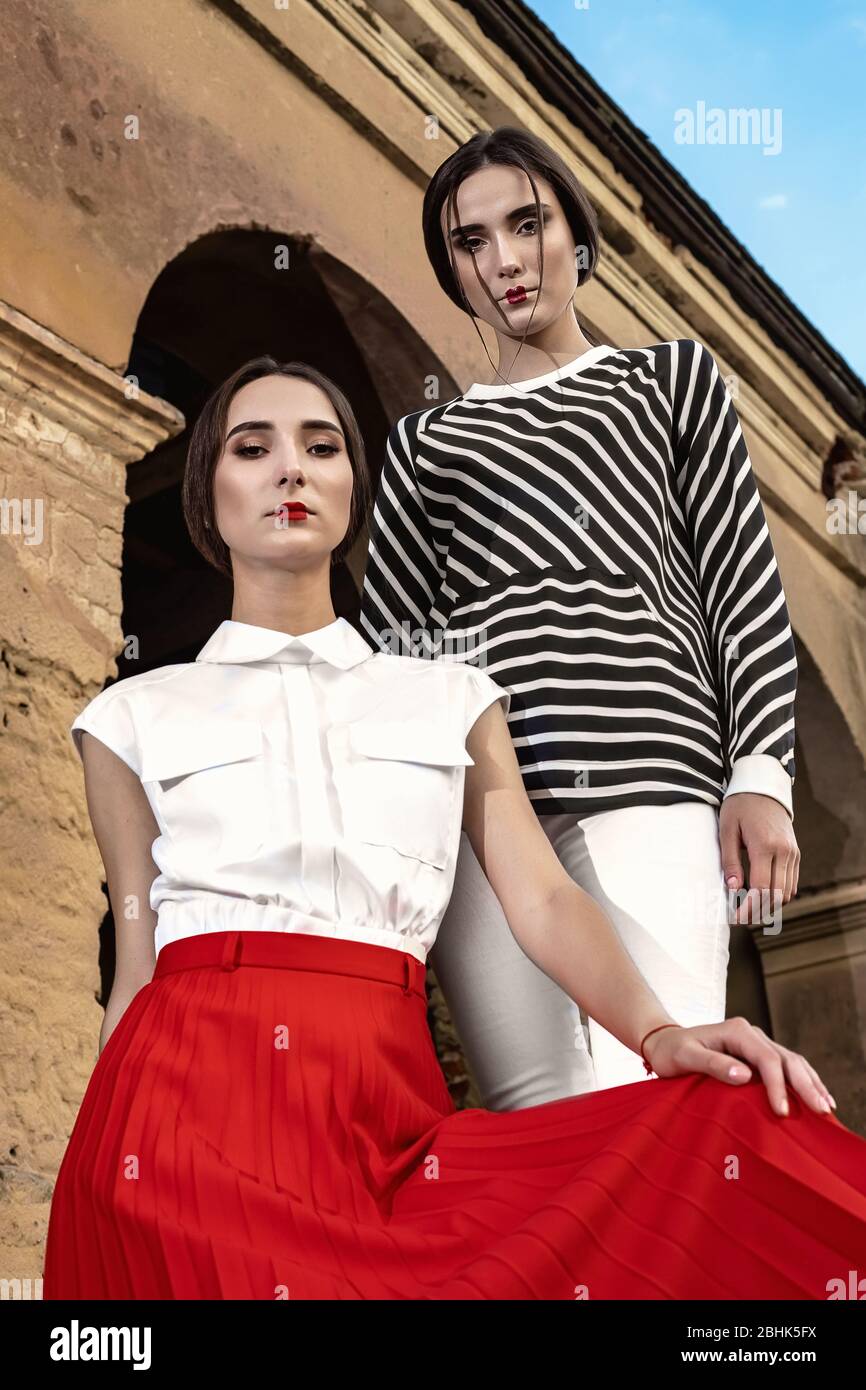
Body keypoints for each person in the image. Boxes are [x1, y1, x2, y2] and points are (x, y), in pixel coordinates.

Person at [43, 357, 865, 1302]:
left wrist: (661, 1034)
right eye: (252, 447)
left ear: (355, 487)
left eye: (322, 447)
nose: (290, 470)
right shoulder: (130, 717)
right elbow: (137, 961)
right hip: (177, 1123)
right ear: (207, 494)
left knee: (704, 1156)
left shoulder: (451, 699)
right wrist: (102, 1160)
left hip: (388, 1131)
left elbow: (543, 899)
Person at [359, 126, 800, 1109]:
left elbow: (742, 586)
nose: (505, 260)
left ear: (575, 233)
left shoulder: (671, 382)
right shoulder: (428, 441)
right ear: (453, 273)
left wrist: (759, 773)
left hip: (651, 783)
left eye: (527, 223)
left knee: (663, 1093)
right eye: (470, 243)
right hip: (487, 826)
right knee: (536, 1123)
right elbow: (393, 654)